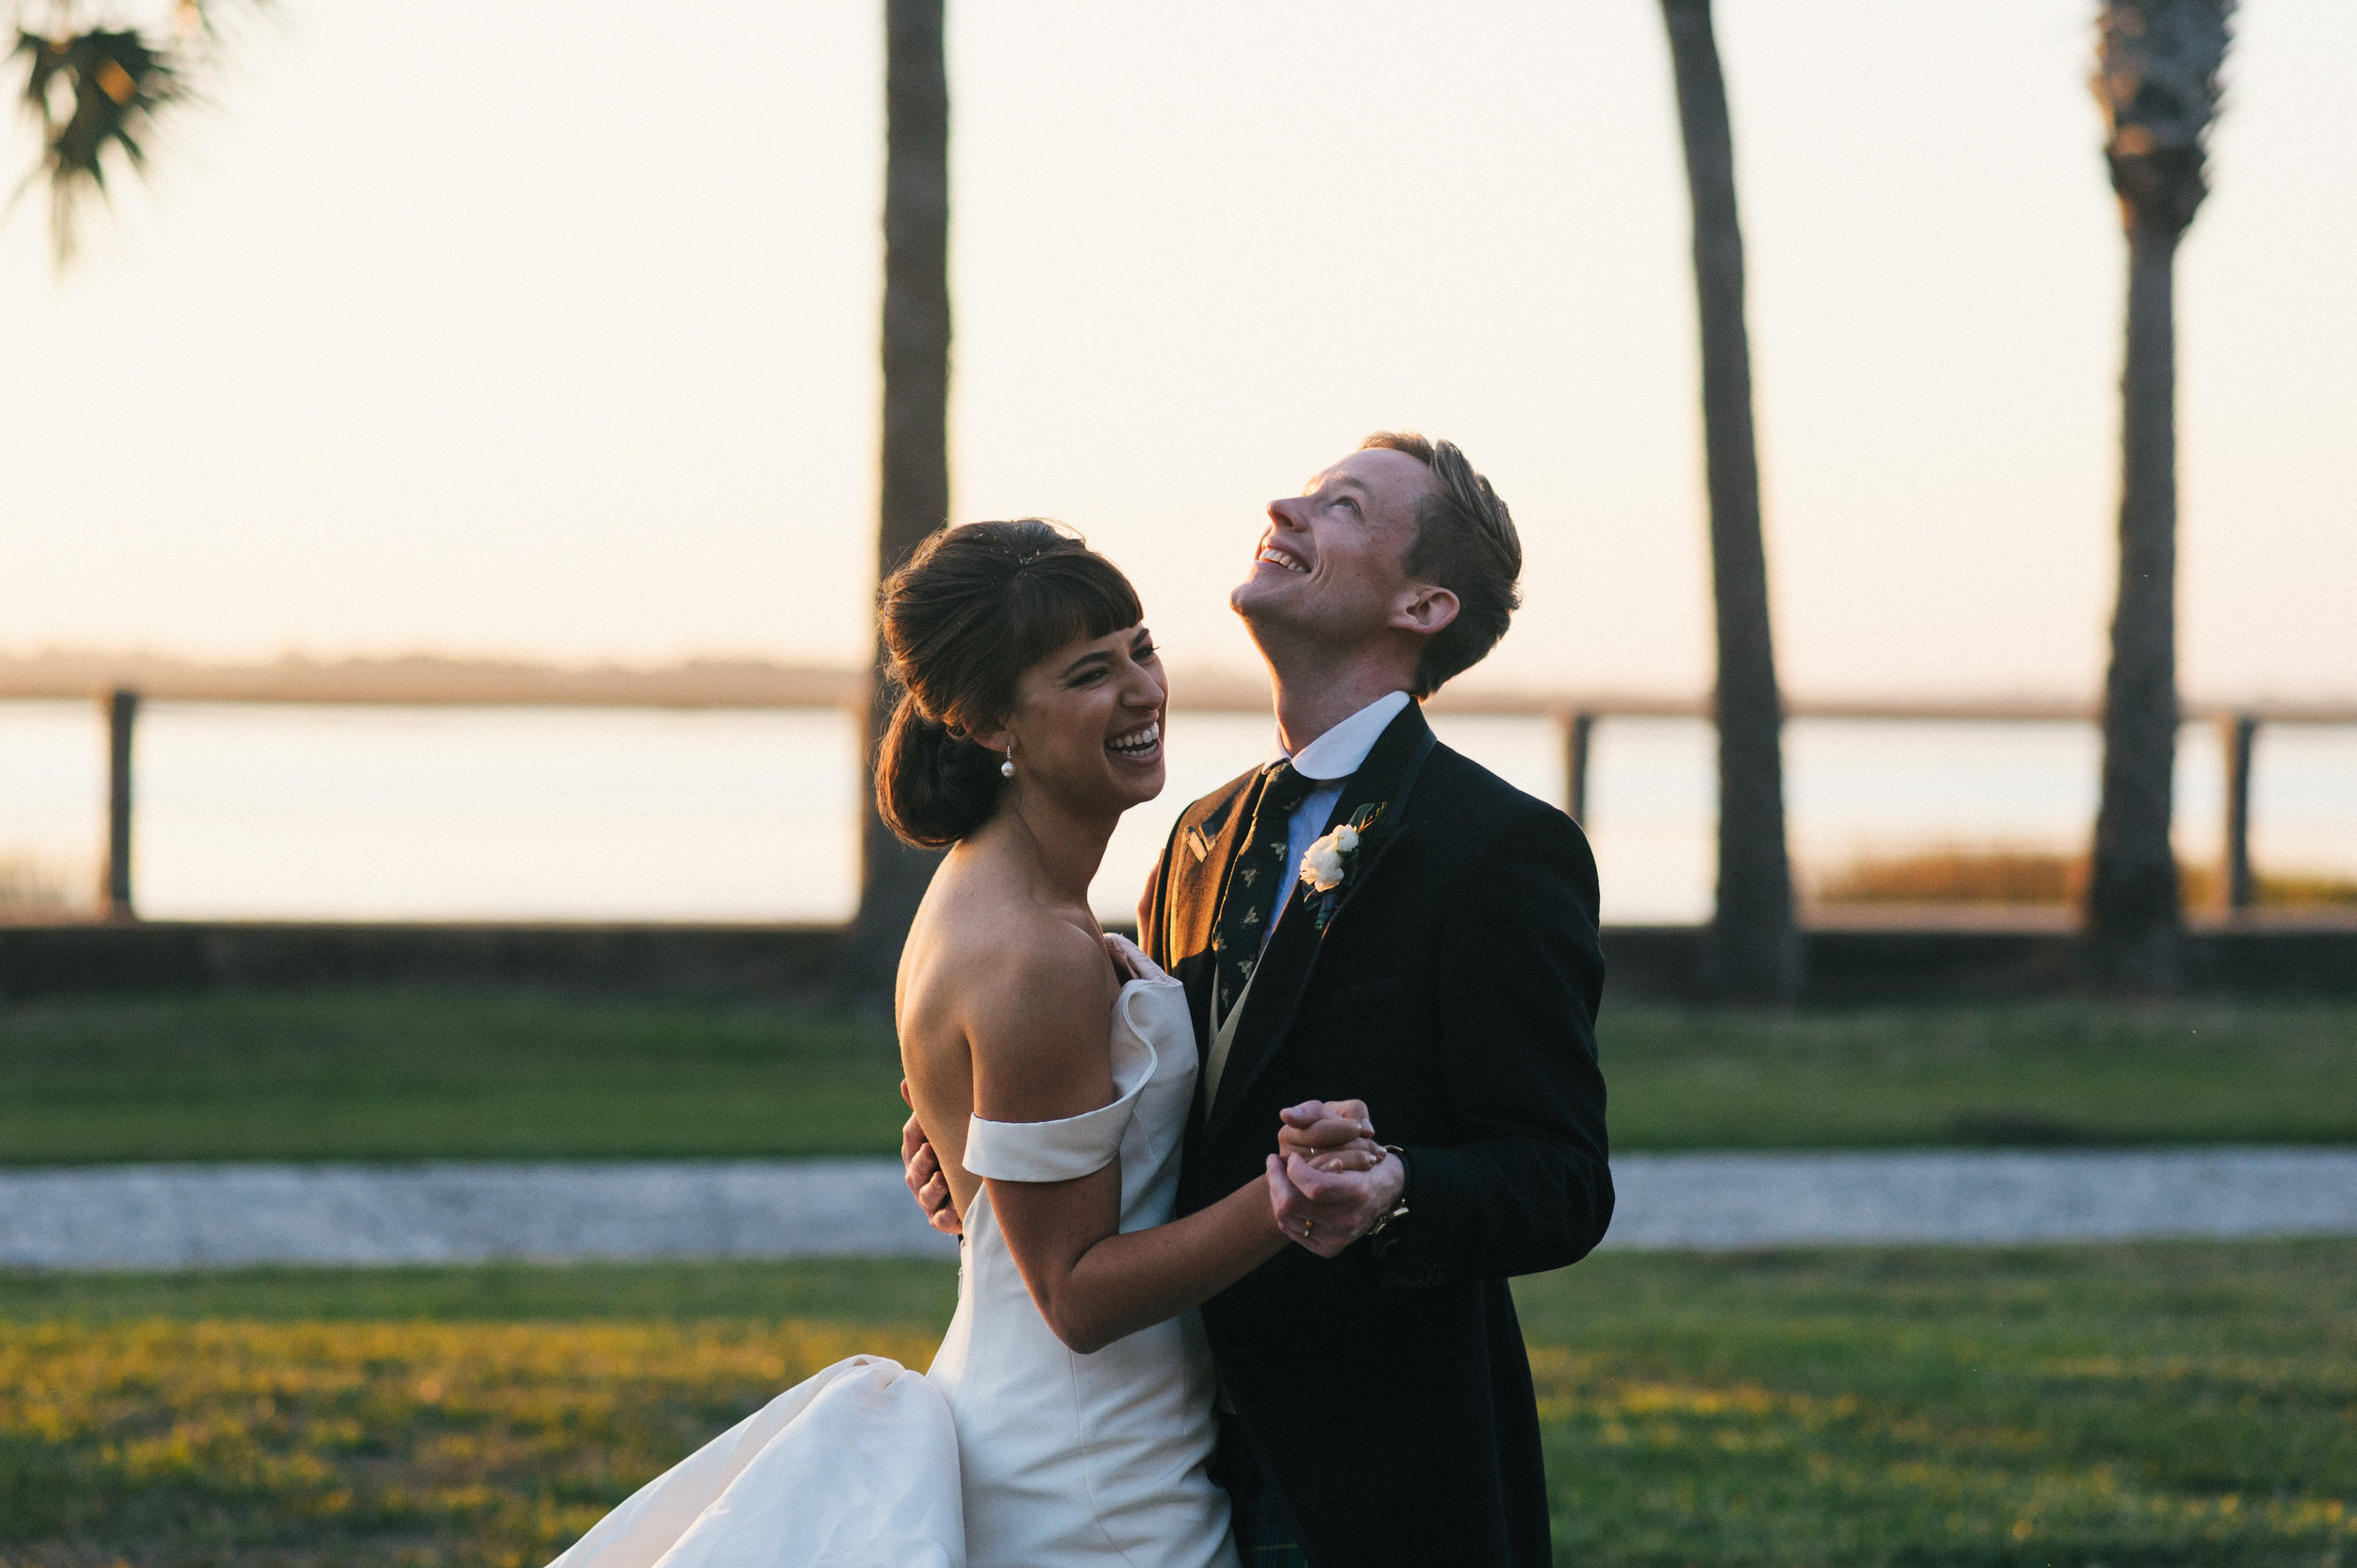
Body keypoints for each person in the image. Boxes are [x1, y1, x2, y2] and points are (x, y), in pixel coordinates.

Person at [550, 519, 1390, 1568]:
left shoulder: (1009, 895)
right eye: (1090, 672)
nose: (1141, 691)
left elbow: (1036, 1195)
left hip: (1094, 1432)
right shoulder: (1031, 948)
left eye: (1140, 647)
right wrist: (1283, 1199)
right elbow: (1076, 1294)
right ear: (993, 722)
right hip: (1092, 1483)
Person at [908, 434, 1614, 1566]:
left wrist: (1394, 1185)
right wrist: (992, 1136)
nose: (1285, 505)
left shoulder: (1498, 849)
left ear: (1424, 603)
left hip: (1370, 1473)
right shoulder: (1197, 834)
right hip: (1165, 1452)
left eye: (1340, 506)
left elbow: (1563, 1179)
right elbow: (1160, 1099)